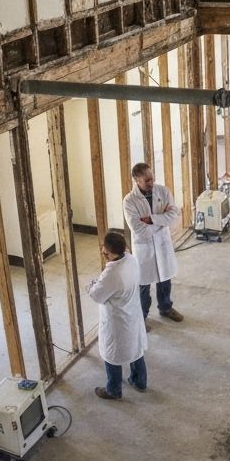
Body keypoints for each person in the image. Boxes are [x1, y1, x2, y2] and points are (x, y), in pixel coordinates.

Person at [87, 229, 147, 400]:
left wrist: (92, 284)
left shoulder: (112, 274)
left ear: (106, 252)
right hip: (132, 313)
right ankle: (140, 381)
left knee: (112, 354)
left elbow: (96, 295)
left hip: (117, 321)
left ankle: (113, 389)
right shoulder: (132, 260)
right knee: (135, 348)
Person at [123, 162, 184, 327]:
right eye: (147, 180)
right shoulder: (129, 201)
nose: (151, 183)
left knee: (165, 278)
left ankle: (166, 308)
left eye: (152, 179)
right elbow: (137, 228)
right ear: (136, 180)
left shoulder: (162, 192)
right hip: (144, 248)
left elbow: (173, 214)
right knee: (143, 285)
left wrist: (151, 219)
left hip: (162, 244)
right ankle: (141, 317)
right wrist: (160, 222)